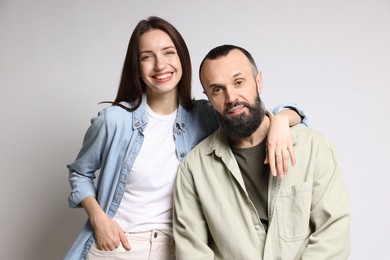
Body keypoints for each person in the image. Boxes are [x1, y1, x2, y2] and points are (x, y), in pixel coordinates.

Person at [65, 17, 307, 260]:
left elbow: (253, 116)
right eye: (147, 57)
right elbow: (79, 173)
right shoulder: (115, 120)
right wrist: (99, 219)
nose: (160, 65)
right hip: (119, 245)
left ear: (181, 58)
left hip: (180, 248)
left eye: (168, 52)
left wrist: (280, 120)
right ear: (137, 67)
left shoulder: (205, 116)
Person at [173, 44, 351, 259]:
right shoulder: (194, 168)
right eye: (217, 89)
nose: (231, 97)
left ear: (258, 82)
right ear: (208, 97)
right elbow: (192, 251)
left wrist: (282, 118)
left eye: (239, 82)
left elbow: (333, 233)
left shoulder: (314, 148)